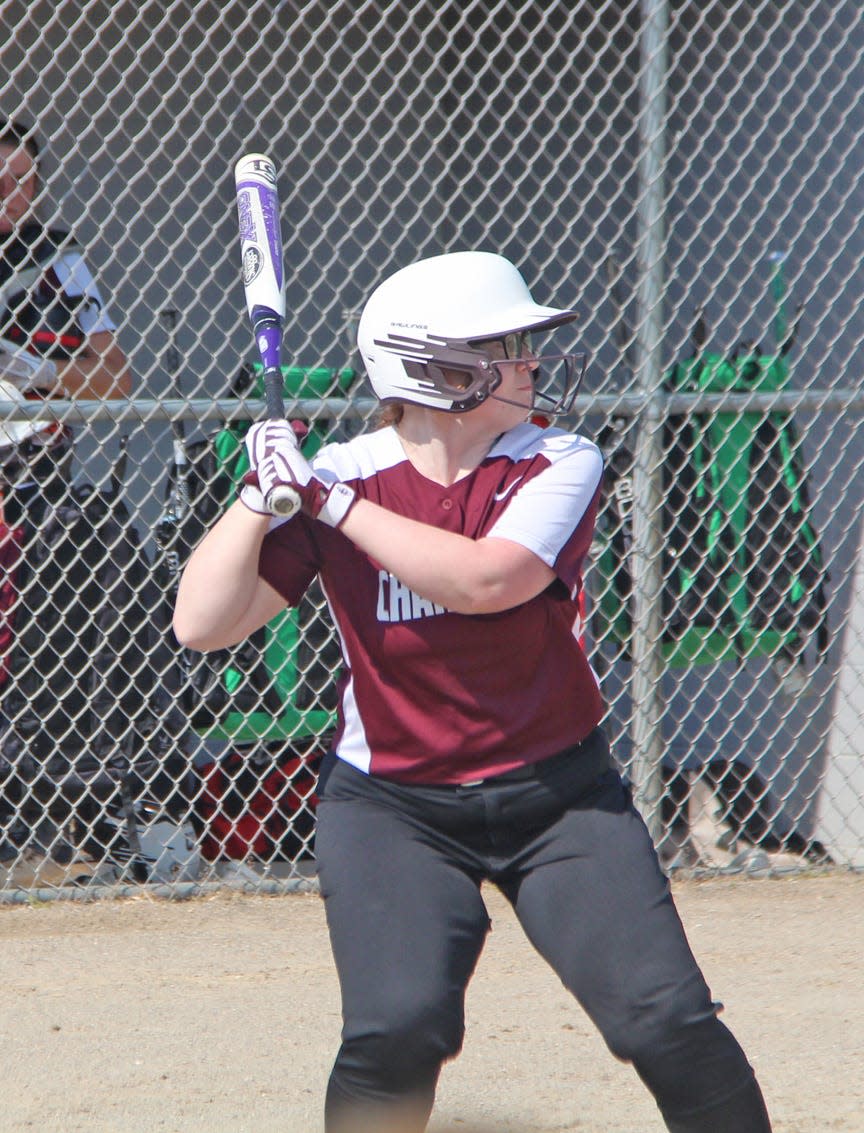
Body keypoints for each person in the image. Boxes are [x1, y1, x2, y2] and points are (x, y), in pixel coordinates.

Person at [174, 250, 773, 1133]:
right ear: (435, 370)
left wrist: (327, 502)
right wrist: (257, 500)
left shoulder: (558, 461)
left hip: (558, 798)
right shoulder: (348, 472)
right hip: (392, 807)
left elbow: (487, 580)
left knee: (666, 1018)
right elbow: (201, 623)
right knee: (397, 1028)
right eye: (508, 347)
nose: (532, 363)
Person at [0, 116, 131, 527]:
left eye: (21, 180)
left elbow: (118, 381)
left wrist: (39, 370)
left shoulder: (59, 260)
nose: (8, 192)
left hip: (34, 475)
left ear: (37, 187)